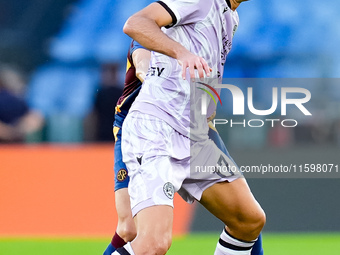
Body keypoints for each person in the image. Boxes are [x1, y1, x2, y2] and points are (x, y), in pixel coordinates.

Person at [115, 0, 266, 254]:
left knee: (249, 220)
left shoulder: (231, 17)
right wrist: (181, 53)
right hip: (157, 127)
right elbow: (135, 24)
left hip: (193, 134)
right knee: (152, 244)